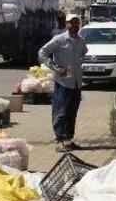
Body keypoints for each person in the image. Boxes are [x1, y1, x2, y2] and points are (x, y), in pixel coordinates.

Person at [38, 13, 88, 152]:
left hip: (77, 82)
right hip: (63, 83)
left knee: (72, 111)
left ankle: (68, 139)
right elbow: (42, 53)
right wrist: (56, 68)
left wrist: (78, 65)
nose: (74, 25)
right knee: (61, 112)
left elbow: (84, 53)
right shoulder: (59, 40)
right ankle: (59, 140)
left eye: (76, 22)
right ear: (66, 24)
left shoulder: (81, 41)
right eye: (71, 23)